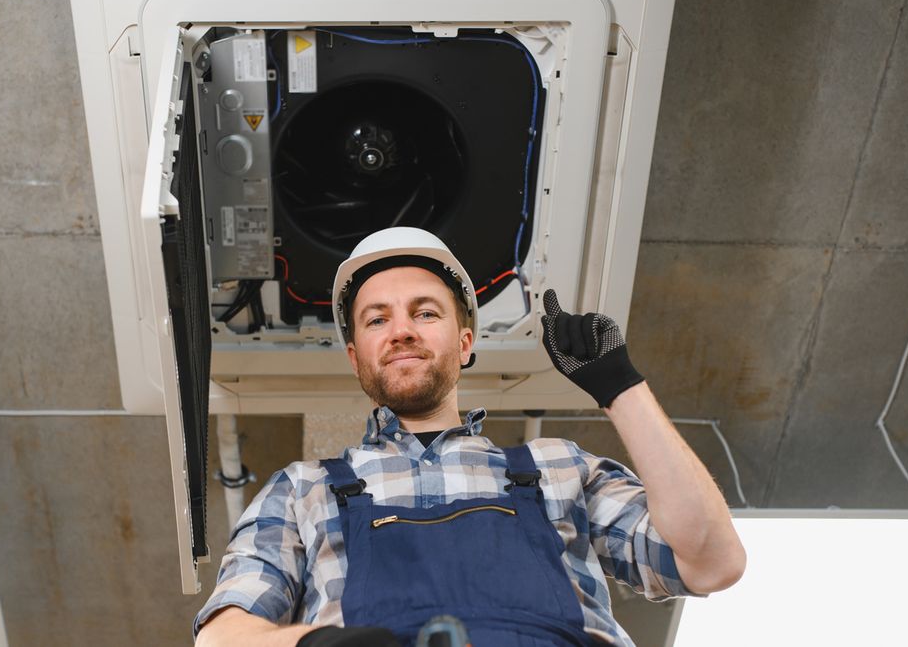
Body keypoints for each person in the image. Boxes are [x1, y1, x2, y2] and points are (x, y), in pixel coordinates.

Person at [195, 227, 745, 646]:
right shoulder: (301, 489)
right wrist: (311, 643)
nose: (401, 330)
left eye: (424, 313)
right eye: (377, 320)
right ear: (355, 358)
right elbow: (223, 636)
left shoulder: (561, 467)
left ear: (463, 344)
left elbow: (711, 561)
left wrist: (619, 386)